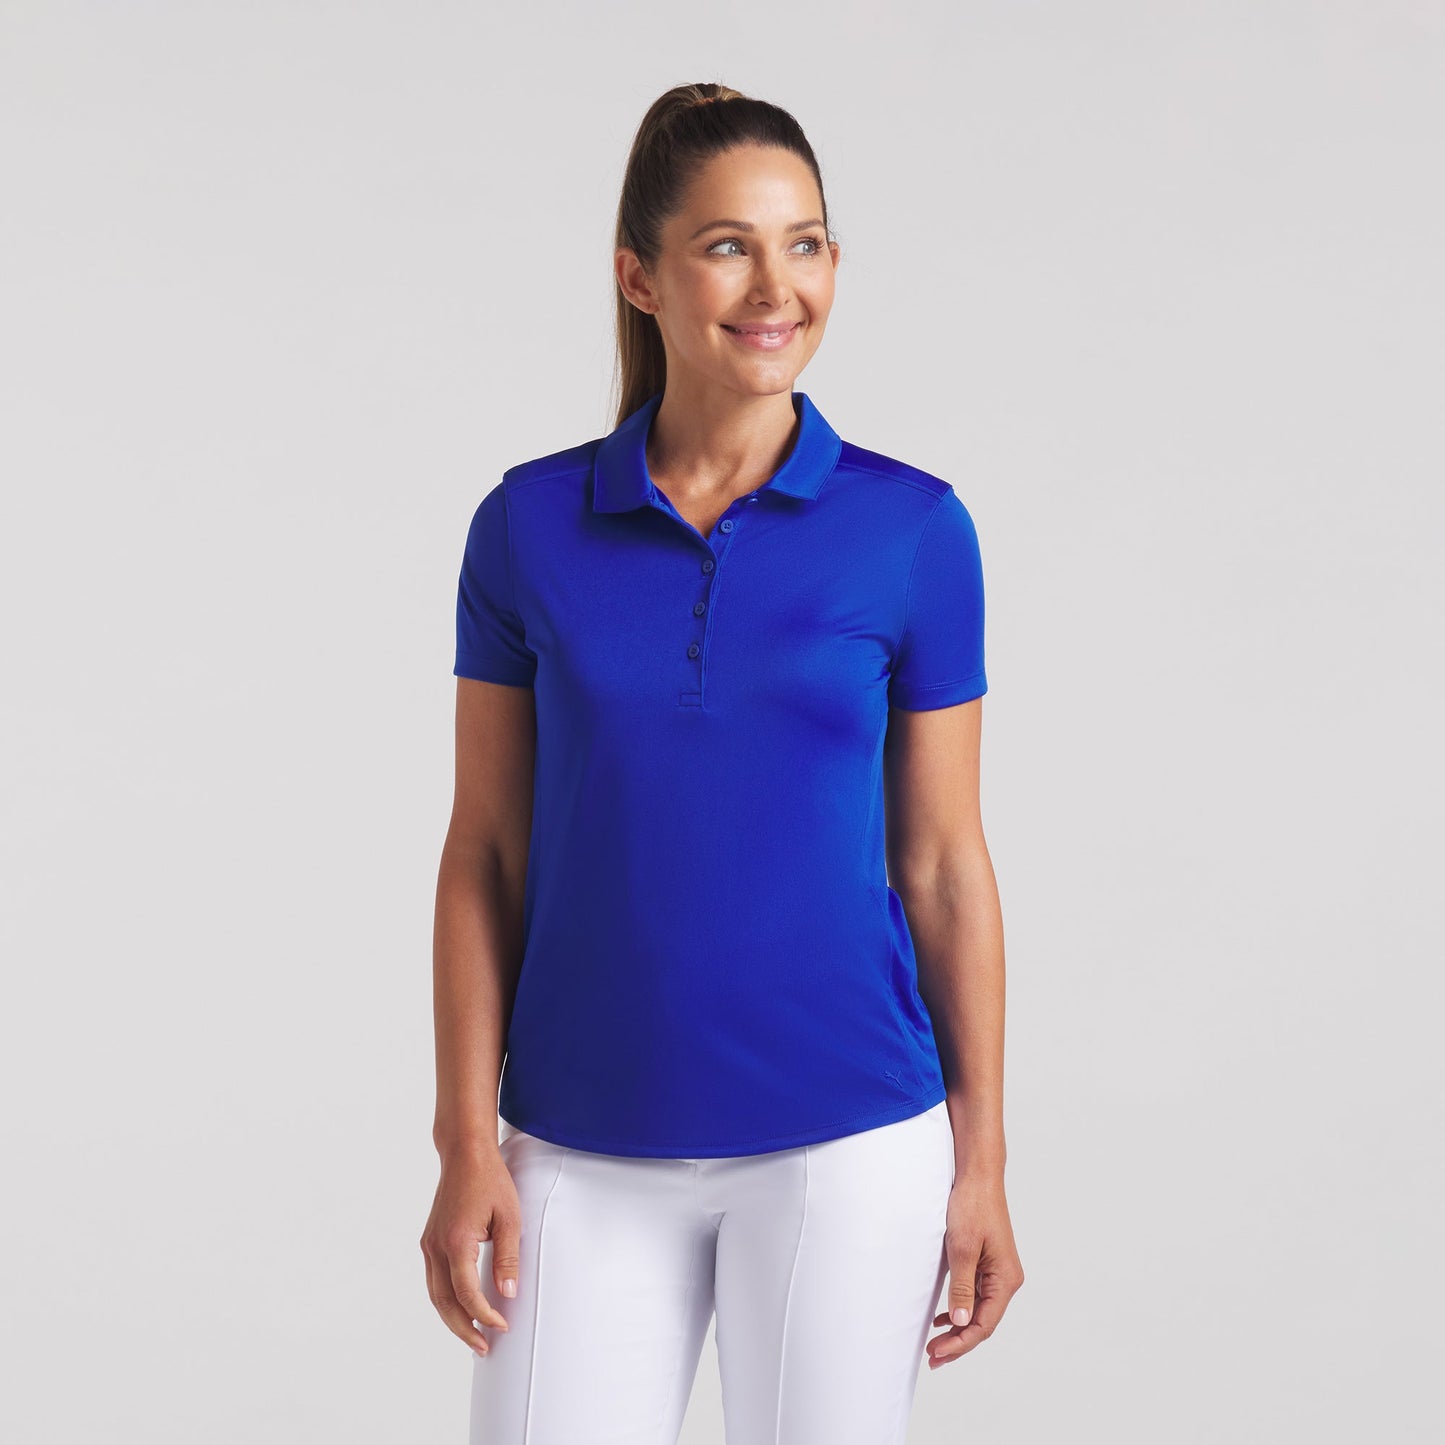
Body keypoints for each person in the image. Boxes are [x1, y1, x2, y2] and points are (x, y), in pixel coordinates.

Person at [421, 81, 1024, 1445]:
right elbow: (484, 853)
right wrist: (465, 1139)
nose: (775, 286)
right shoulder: (527, 526)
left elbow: (942, 863)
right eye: (727, 246)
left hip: (847, 1143)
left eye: (804, 243)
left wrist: (981, 1160)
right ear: (638, 276)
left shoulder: (913, 531)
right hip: (577, 1141)